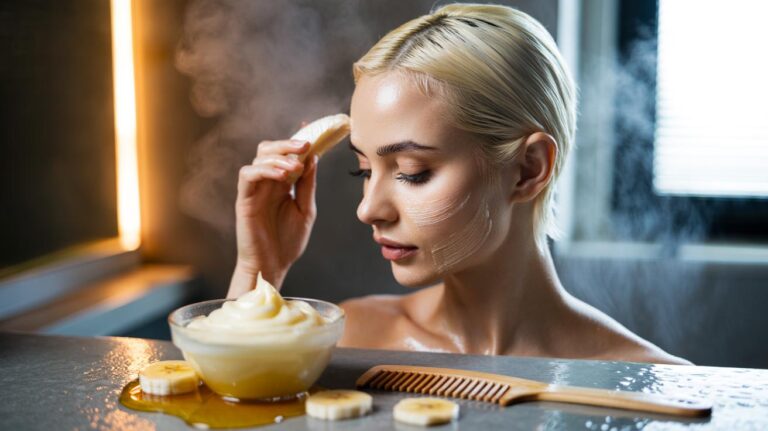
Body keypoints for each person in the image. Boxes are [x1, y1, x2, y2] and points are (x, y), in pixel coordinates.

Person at [227, 3, 689, 365]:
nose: (369, 209)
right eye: (365, 170)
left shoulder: (646, 385)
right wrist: (258, 266)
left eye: (412, 171)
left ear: (529, 169)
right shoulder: (353, 336)